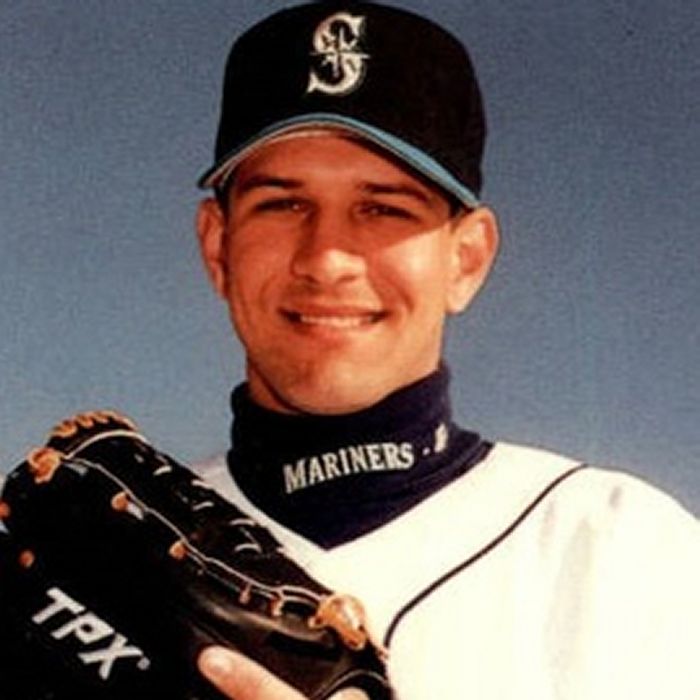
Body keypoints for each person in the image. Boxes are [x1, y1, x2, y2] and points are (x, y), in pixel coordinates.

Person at [187, 1, 700, 698]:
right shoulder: (91, 556)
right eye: (283, 204)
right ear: (219, 246)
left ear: (466, 259)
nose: (327, 259)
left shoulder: (621, 552)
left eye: (383, 208)